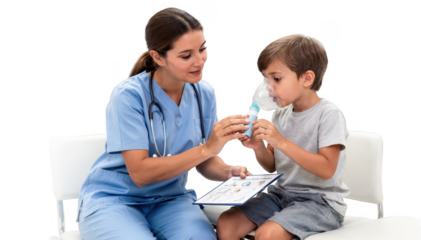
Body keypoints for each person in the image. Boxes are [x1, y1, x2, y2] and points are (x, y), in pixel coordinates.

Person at [76, 7, 252, 240]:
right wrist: (207, 147)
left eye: (203, 49)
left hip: (171, 199)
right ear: (158, 57)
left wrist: (229, 172)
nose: (199, 61)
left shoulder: (204, 93)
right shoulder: (128, 96)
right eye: (186, 55)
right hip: (115, 199)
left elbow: (204, 161)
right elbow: (139, 173)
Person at [217, 33, 350, 240]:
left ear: (306, 78)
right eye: (266, 79)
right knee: (226, 223)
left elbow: (327, 170)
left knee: (268, 234)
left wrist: (281, 142)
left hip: (319, 202)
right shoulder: (280, 114)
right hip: (280, 195)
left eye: (276, 79)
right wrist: (259, 147)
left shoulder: (329, 114)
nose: (269, 87)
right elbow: (273, 166)